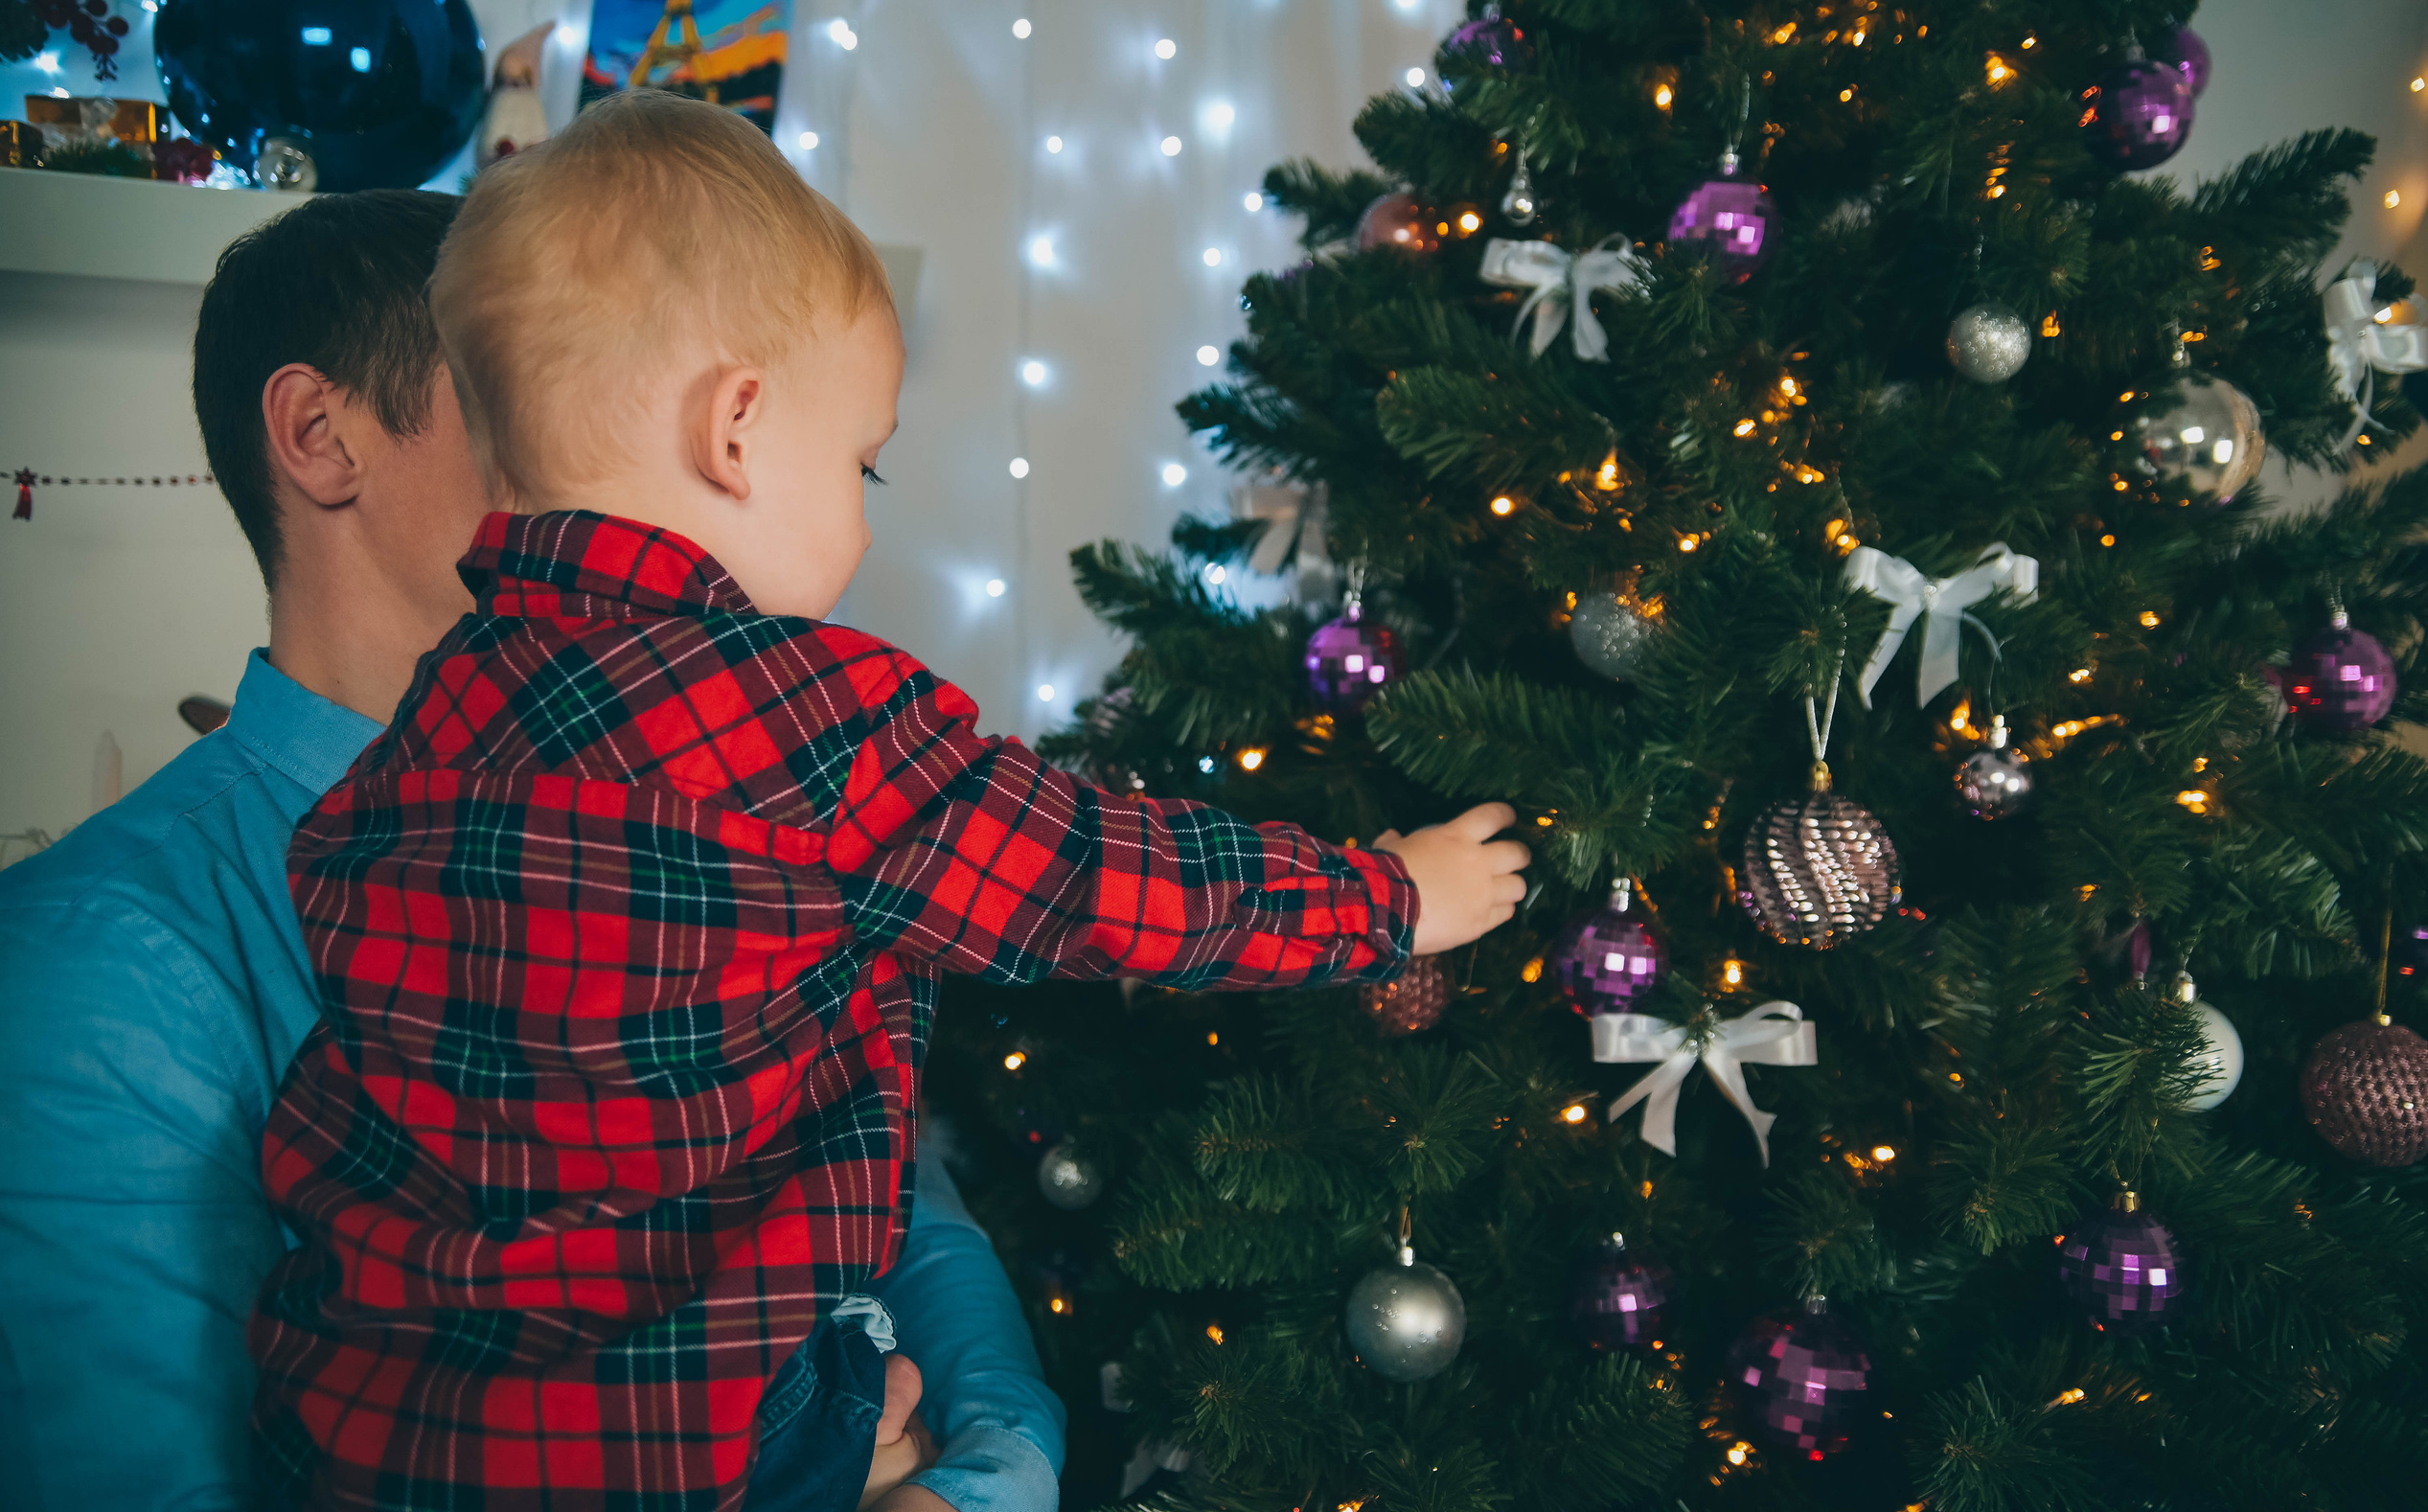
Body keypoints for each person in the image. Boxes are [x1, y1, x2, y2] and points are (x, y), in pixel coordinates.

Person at [250, 89, 1531, 1509]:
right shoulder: (819, 720)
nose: (866, 508)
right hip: (706, 1429)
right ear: (735, 429)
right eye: (863, 459)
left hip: (386, 1429)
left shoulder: (421, 734)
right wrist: (1391, 898)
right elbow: (1111, 884)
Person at [0, 190, 1062, 1512]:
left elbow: (915, 1215)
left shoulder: (746, 793)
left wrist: (985, 1484)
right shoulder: (96, 963)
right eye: (522, 408)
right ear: (323, 439)